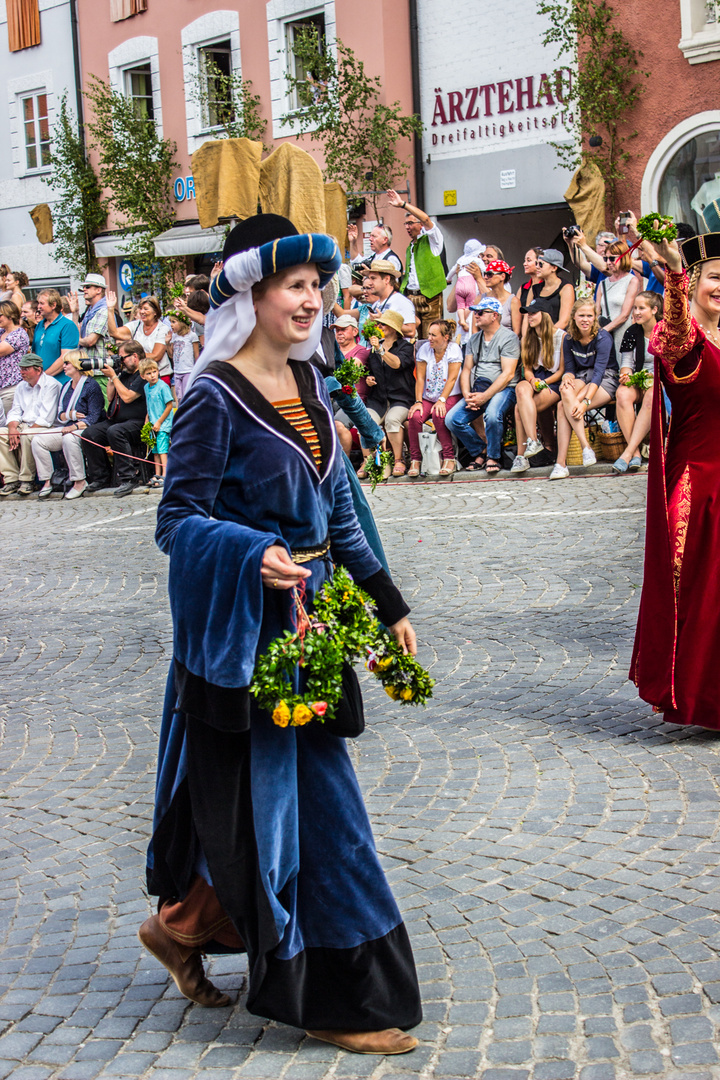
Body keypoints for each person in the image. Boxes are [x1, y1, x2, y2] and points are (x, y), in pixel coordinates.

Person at [141, 213, 422, 1055]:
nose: (312, 301)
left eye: (317, 287)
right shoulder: (212, 397)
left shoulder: (315, 390)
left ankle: (184, 925)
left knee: (280, 799)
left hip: (315, 631)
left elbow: (339, 515)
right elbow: (176, 520)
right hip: (245, 639)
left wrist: (389, 601)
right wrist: (249, 552)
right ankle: (338, 994)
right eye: (295, 286)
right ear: (251, 294)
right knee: (312, 805)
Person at [630, 231, 720, 727]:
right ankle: (698, 694)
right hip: (699, 486)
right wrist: (676, 278)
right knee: (700, 597)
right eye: (714, 278)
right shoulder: (682, 337)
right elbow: (677, 324)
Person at [446, 296, 521, 475]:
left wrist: (484, 396)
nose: (475, 316)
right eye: (474, 313)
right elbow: (466, 369)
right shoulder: (474, 339)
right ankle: (481, 450)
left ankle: (494, 456)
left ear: (494, 315)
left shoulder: (509, 338)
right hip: (479, 389)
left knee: (493, 415)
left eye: (480, 313)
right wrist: (467, 395)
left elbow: (508, 374)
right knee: (452, 419)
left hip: (505, 389)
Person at [549, 300, 619, 480]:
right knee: (565, 392)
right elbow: (571, 369)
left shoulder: (603, 337)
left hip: (605, 378)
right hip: (582, 376)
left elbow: (599, 372)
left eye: (589, 315)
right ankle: (585, 447)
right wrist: (566, 378)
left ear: (595, 317)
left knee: (561, 408)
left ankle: (561, 463)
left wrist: (585, 401)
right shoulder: (569, 338)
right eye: (581, 315)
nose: (585, 320)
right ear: (574, 316)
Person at [32, 350, 106, 500]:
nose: (64, 366)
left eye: (67, 363)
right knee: (37, 440)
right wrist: (71, 416)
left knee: (69, 438)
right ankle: (47, 480)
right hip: (68, 426)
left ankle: (79, 480)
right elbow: (60, 414)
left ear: (78, 365)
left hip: (86, 429)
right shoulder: (66, 386)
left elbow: (93, 417)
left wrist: (74, 425)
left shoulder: (91, 386)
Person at [81, 340, 148, 497]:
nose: (121, 361)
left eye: (123, 357)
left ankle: (128, 478)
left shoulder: (144, 374)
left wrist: (114, 377)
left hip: (137, 422)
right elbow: (110, 397)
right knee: (90, 434)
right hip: (117, 421)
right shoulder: (123, 375)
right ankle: (100, 477)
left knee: (115, 431)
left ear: (135, 357)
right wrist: (113, 377)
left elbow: (128, 397)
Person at [511, 298, 565, 474]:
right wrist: (533, 380)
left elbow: (561, 371)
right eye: (528, 314)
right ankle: (533, 441)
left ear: (545, 315)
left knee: (520, 409)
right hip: (535, 379)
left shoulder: (561, 336)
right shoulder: (528, 338)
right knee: (520, 388)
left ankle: (521, 456)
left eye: (533, 313)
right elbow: (527, 370)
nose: (529, 317)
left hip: (553, 381)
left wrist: (544, 383)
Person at [611, 291, 663, 474]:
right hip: (640, 378)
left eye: (642, 308)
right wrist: (626, 375)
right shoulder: (632, 332)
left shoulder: (665, 330)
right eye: (635, 308)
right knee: (622, 393)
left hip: (662, 381)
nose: (636, 312)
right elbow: (626, 364)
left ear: (654, 310)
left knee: (651, 394)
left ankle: (627, 452)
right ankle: (636, 453)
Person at [362, 309, 416, 476]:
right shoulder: (373, 348)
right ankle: (371, 462)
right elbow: (370, 371)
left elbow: (397, 364)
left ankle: (398, 460)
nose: (379, 326)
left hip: (401, 398)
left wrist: (380, 349)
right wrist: (368, 379)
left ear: (393, 328)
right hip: (378, 399)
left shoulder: (406, 347)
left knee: (392, 420)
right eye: (379, 324)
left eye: (383, 324)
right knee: (365, 421)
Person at [407, 319, 463, 477]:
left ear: (445, 337)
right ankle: (415, 459)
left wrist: (442, 400)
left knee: (439, 414)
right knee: (414, 416)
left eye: (434, 335)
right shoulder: (425, 349)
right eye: (429, 334)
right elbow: (420, 378)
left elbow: (452, 379)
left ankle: (449, 457)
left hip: (450, 394)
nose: (429, 338)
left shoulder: (454, 349)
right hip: (428, 396)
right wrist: (418, 401)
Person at [387, 189, 446, 337]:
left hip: (430, 297)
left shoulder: (432, 239)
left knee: (432, 336)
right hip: (412, 297)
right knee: (413, 339)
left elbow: (426, 219)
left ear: (420, 225)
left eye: (411, 223)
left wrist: (403, 204)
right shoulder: (410, 247)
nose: (407, 227)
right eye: (405, 224)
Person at [0, 353, 61, 495]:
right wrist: (12, 429)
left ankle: (27, 480)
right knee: (1, 434)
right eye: (21, 369)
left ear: (38, 370)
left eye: (26, 369)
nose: (22, 372)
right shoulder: (21, 386)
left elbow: (46, 418)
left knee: (26, 436)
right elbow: (15, 411)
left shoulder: (51, 385)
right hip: (25, 424)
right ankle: (11, 479)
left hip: (46, 427)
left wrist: (20, 433)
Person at [106, 291, 171, 383]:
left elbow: (156, 356)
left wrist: (130, 356)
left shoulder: (162, 328)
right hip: (140, 376)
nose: (142, 312)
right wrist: (110, 309)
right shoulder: (136, 325)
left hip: (159, 376)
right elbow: (114, 333)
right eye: (140, 309)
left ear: (155, 312)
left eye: (146, 309)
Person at [596, 240, 640, 356]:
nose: (609, 262)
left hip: (623, 331)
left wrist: (604, 330)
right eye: (606, 259)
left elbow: (625, 314)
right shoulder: (603, 284)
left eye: (612, 258)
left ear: (623, 257)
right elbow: (596, 312)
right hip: (605, 335)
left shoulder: (631, 281)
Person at [140, 357, 173, 486]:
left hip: (163, 424)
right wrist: (147, 419)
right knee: (155, 450)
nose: (152, 375)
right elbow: (149, 405)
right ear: (143, 376)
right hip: (153, 424)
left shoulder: (163, 387)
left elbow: (169, 405)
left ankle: (166, 475)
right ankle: (157, 473)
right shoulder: (146, 388)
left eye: (154, 371)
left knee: (162, 449)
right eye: (148, 373)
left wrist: (159, 422)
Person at [34, 289, 80, 384]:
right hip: (40, 382)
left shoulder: (67, 326)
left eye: (42, 303)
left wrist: (44, 377)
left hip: (60, 383)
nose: (39, 307)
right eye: (38, 303)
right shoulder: (39, 325)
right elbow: (35, 353)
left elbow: (65, 357)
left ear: (53, 305)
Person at [446, 240, 485, 349]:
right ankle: (462, 319)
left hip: (476, 336)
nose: (484, 258)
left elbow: (489, 297)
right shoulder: (474, 263)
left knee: (465, 305)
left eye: (488, 256)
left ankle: (462, 319)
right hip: (462, 337)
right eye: (482, 255)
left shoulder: (486, 279)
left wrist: (479, 277)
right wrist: (459, 279)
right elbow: (449, 307)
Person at [365, 260, 417, 338]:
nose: (370, 283)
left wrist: (384, 320)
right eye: (369, 278)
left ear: (387, 280)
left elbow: (411, 331)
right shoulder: (376, 304)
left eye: (373, 278)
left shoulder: (401, 302)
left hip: (393, 349)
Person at [531, 250, 575, 329]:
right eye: (536, 263)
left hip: (556, 336)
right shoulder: (535, 289)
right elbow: (527, 317)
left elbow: (564, 321)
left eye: (541, 264)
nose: (537, 267)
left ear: (554, 268)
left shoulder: (566, 288)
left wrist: (547, 337)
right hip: (536, 336)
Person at [0, 301, 30, 415]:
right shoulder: (2, 332)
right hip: (2, 385)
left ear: (10, 315)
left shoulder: (19, 334)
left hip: (11, 387)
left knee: (9, 422)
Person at [165, 310, 199, 403]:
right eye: (170, 322)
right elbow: (171, 355)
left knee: (187, 394)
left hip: (188, 370)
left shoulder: (191, 336)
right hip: (177, 370)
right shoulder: (174, 336)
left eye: (173, 322)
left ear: (182, 322)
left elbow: (196, 354)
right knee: (179, 396)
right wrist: (167, 343)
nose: (171, 325)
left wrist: (197, 369)